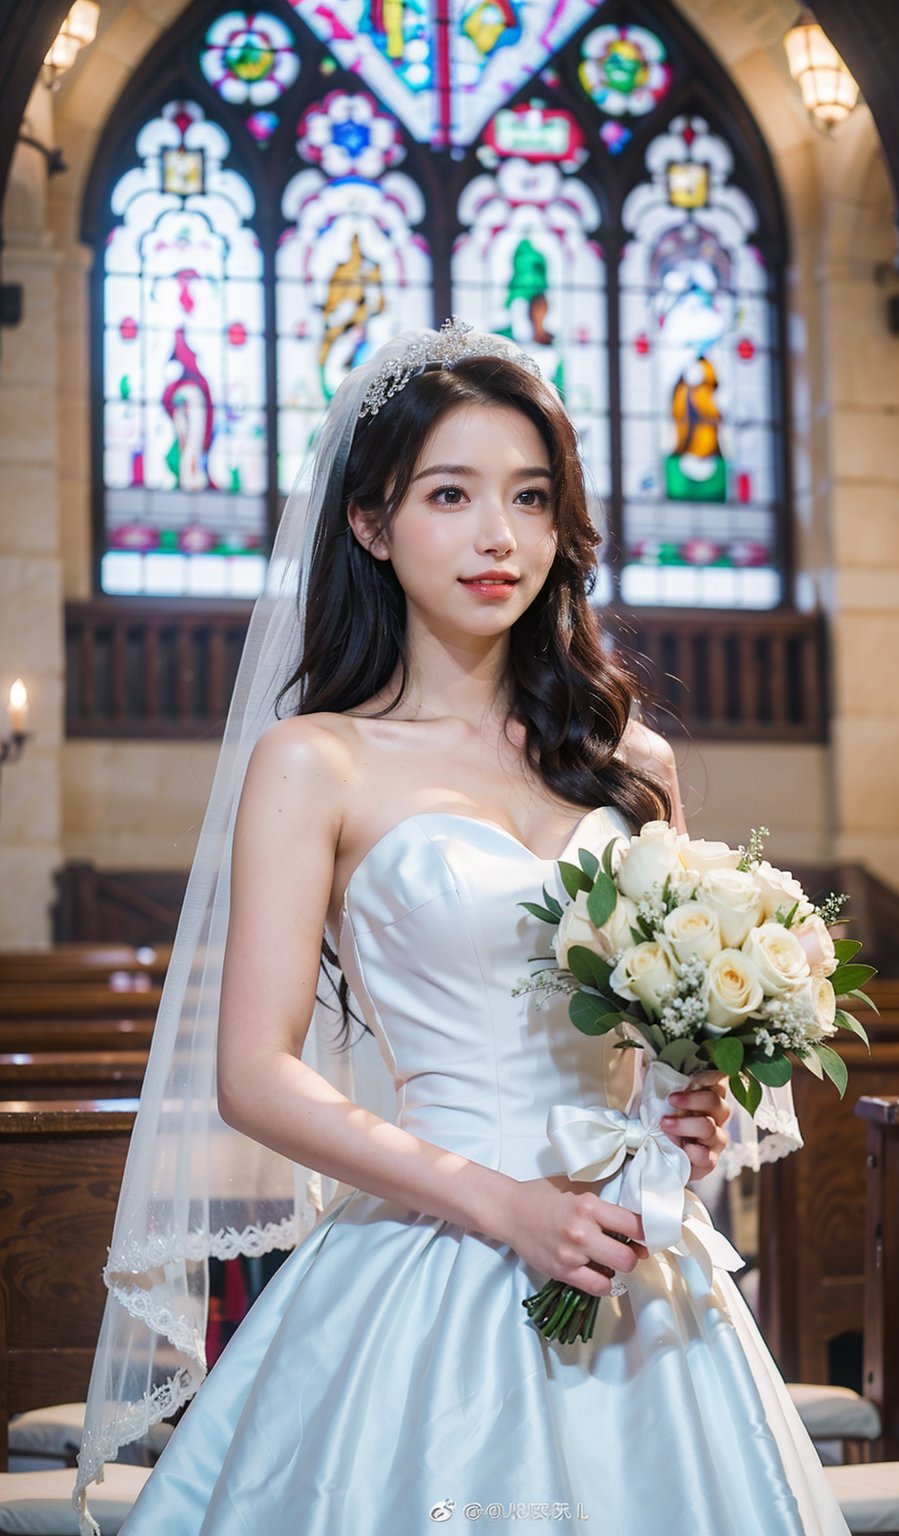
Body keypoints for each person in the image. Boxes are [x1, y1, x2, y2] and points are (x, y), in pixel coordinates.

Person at [74, 321, 848, 1536]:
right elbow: (255, 1076)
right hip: (431, 1258)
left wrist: (682, 1117)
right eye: (452, 494)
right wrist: (502, 1205)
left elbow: (641, 1053)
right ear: (371, 524)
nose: (501, 536)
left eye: (532, 499)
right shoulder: (315, 760)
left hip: (632, 1274)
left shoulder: (625, 760)